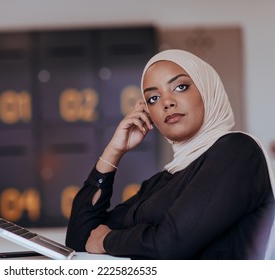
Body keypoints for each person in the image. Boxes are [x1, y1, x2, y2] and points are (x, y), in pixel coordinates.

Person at [65, 49, 275, 260]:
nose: (167, 102)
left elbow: (170, 243)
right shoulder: (162, 182)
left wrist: (107, 240)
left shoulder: (237, 151)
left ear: (207, 90)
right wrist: (114, 151)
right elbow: (80, 240)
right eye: (153, 98)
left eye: (180, 87)